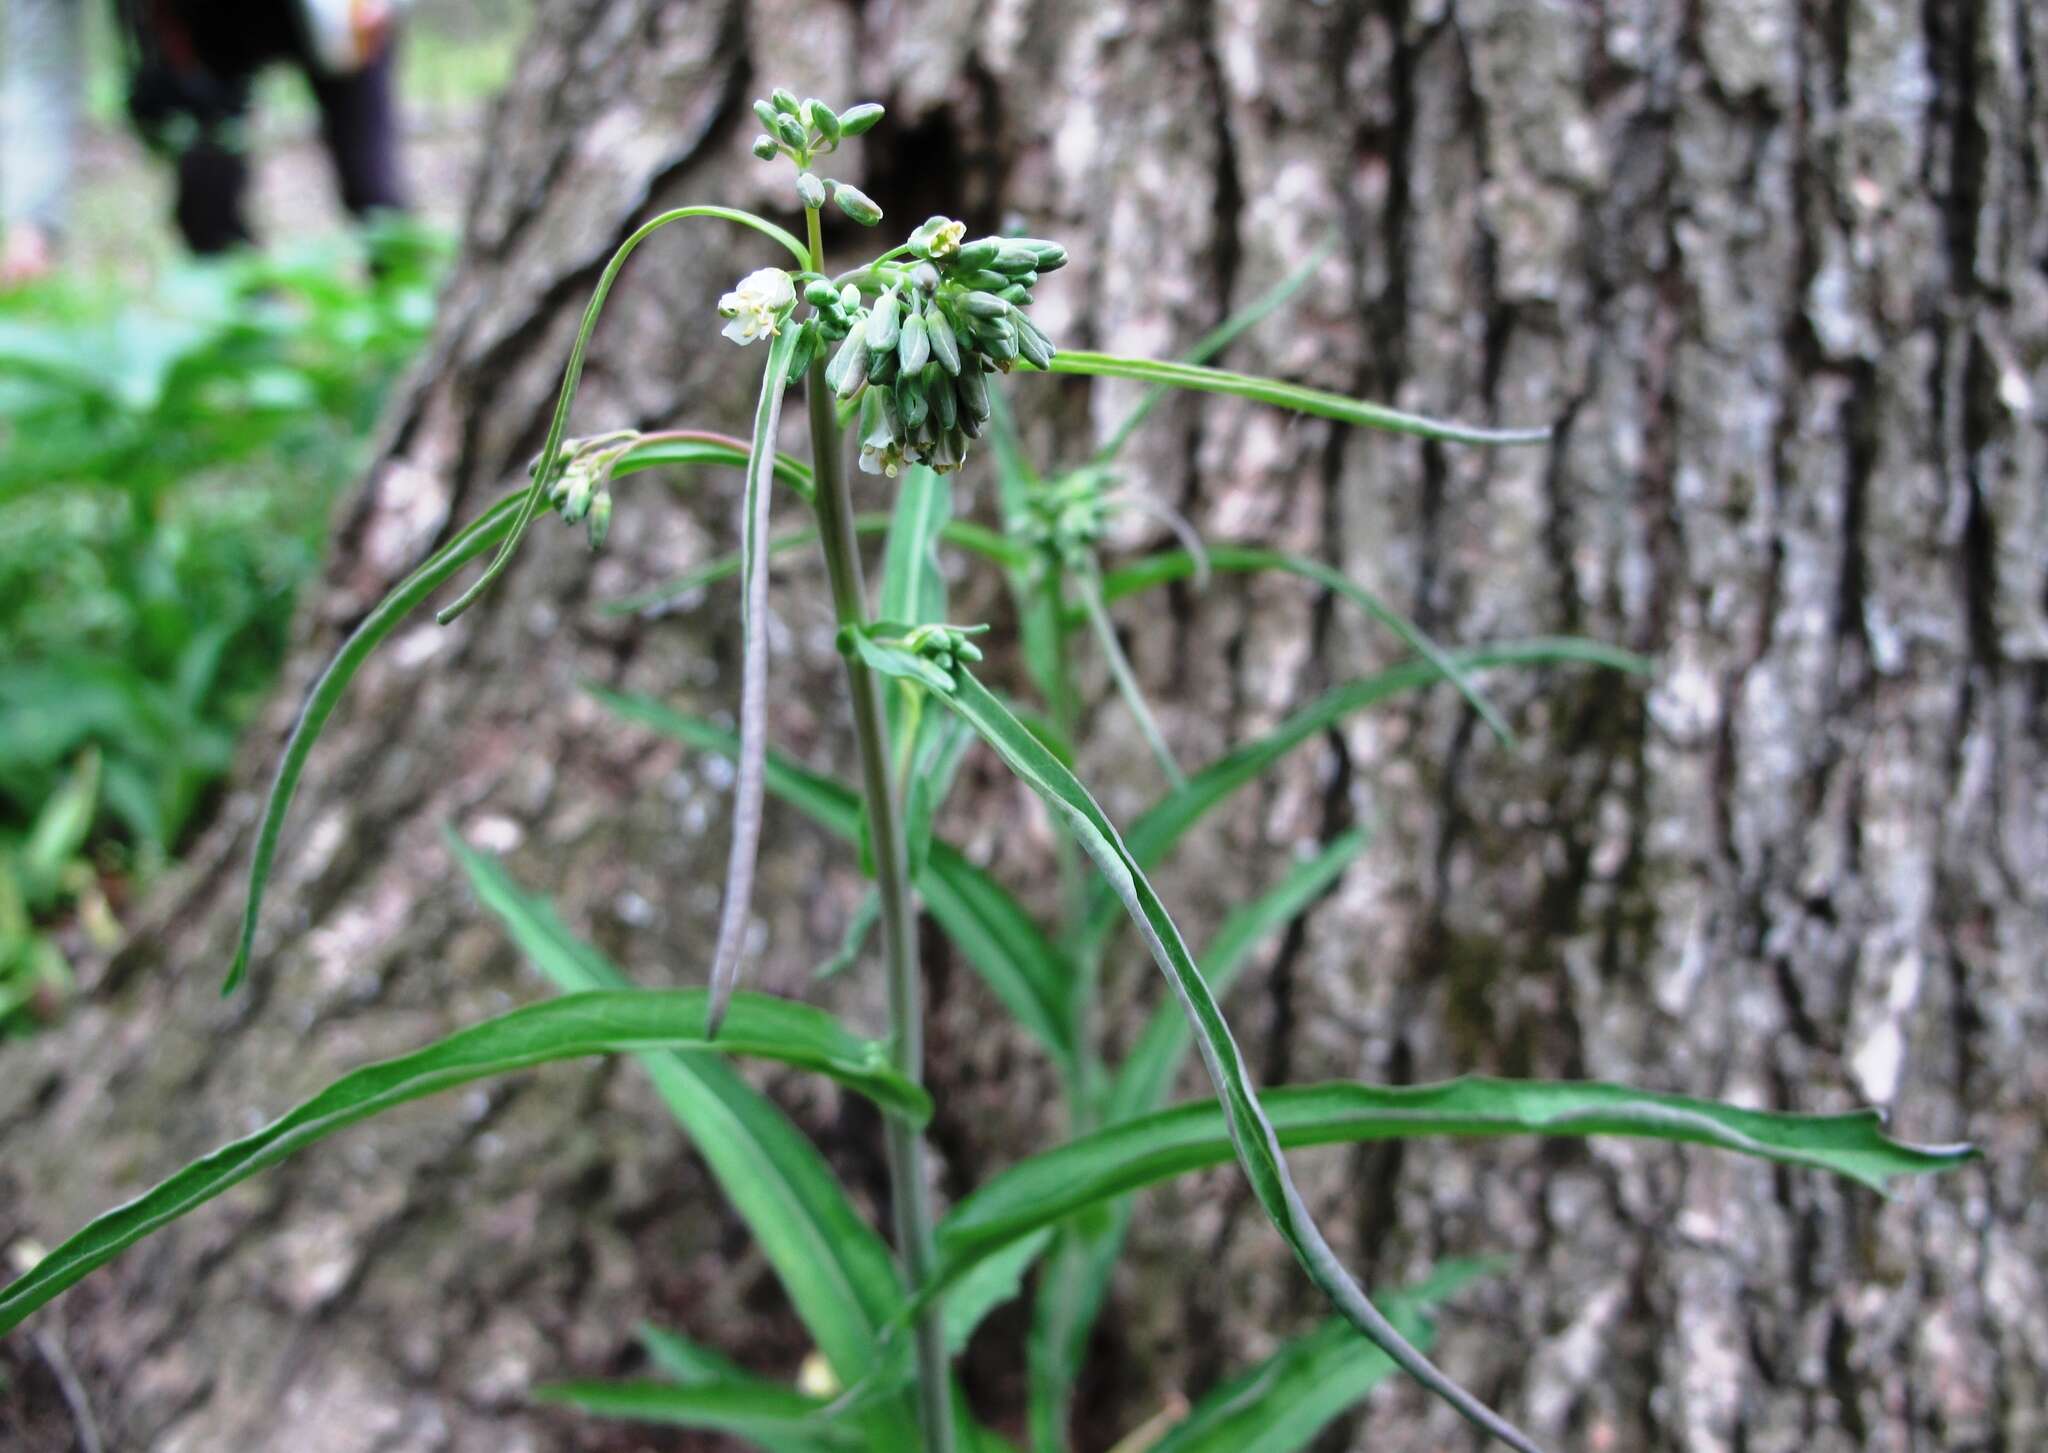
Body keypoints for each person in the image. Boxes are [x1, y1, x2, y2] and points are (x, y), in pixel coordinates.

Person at [0, 0, 409, 278]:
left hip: (335, 19)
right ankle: (255, 361)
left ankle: (402, 341)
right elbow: (41, 73)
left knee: (374, 194)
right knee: (206, 210)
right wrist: (33, 223)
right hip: (197, 42)